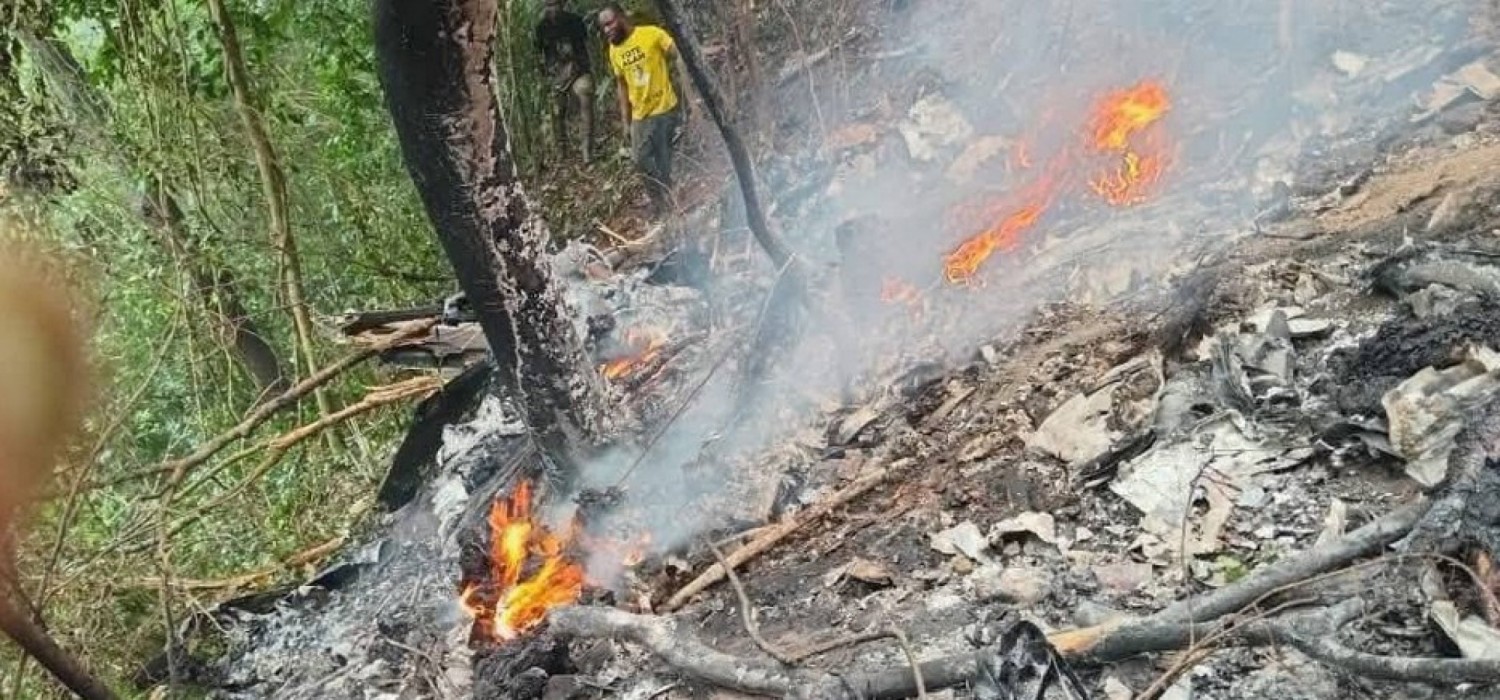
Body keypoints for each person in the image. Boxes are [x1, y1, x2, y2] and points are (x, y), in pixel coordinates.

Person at [598, 3, 692, 218]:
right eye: (603, 27)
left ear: (622, 18)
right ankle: (660, 202)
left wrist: (689, 96)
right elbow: (621, 84)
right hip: (640, 114)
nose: (607, 30)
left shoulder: (651, 34)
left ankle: (669, 206)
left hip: (663, 108)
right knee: (640, 160)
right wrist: (625, 120)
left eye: (609, 23)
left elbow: (679, 53)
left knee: (662, 159)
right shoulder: (614, 50)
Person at [534, 0, 595, 162]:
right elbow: (540, 56)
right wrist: (545, 77)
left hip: (578, 70)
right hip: (556, 76)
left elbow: (586, 48)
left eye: (554, 4)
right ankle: (562, 153)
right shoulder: (541, 28)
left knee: (585, 93)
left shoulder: (575, 21)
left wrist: (582, 67)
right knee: (556, 111)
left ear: (562, 5)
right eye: (547, 5)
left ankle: (587, 151)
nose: (551, 9)